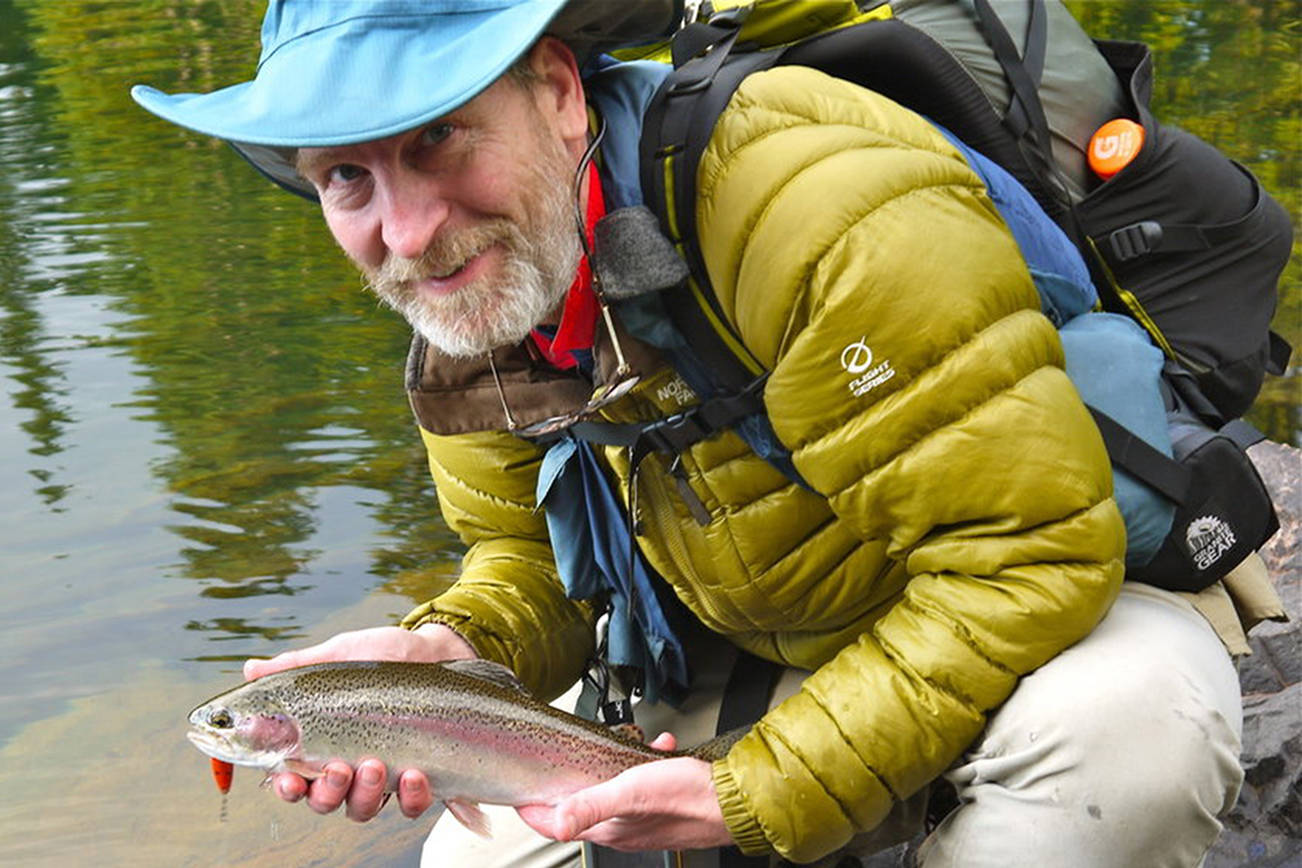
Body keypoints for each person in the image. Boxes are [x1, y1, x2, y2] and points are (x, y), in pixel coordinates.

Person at [133, 2, 1262, 865]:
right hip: (755, 631)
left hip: (1030, 597)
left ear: (560, 89)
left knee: (1138, 738)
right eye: (346, 179)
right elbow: (532, 561)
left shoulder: (816, 201)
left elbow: (1026, 562)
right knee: (469, 851)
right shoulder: (472, 301)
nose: (409, 231)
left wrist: (752, 791)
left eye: (438, 137)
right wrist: (453, 650)